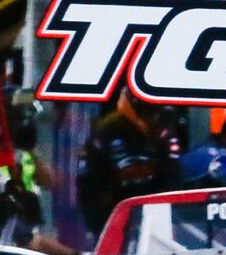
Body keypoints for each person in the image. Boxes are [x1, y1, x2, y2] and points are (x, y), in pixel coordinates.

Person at [76, 99, 183, 232]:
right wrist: (106, 228)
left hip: (158, 220)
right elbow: (88, 191)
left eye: (158, 113)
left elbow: (173, 182)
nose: (155, 119)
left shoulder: (166, 136)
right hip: (115, 224)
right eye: (150, 112)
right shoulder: (105, 135)